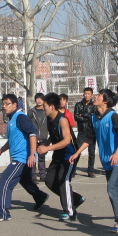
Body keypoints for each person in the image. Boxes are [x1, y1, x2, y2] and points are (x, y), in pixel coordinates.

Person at [70, 89, 118, 233]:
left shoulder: (114, 117)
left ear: (106, 101)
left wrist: (117, 153)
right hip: (106, 160)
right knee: (115, 187)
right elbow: (90, 138)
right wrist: (77, 153)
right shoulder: (94, 118)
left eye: (99, 95)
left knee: (112, 188)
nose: (96, 97)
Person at [0, 94, 49, 222]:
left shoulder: (21, 117)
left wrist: (32, 154)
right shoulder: (11, 119)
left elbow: (32, 134)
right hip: (20, 157)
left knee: (5, 180)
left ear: (15, 105)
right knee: (25, 181)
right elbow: (11, 140)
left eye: (7, 104)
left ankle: (2, 213)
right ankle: (40, 197)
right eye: (3, 104)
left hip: (22, 158)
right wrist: (0, 151)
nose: (4, 106)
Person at [37, 93, 86, 221]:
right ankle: (75, 199)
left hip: (70, 155)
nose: (43, 108)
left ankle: (70, 212)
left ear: (52, 106)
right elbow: (53, 135)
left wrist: (47, 148)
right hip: (59, 154)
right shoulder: (49, 118)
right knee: (49, 180)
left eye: (45, 105)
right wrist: (46, 144)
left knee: (63, 180)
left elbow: (66, 141)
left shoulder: (62, 120)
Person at [74, 87, 97, 177]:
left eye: (89, 94)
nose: (87, 95)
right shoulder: (78, 105)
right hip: (82, 131)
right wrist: (87, 117)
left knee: (91, 152)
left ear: (92, 95)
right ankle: (73, 169)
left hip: (91, 131)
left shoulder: (94, 105)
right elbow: (76, 117)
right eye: (85, 94)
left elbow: (93, 117)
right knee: (77, 150)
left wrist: (83, 114)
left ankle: (90, 170)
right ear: (83, 94)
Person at [28, 93, 49, 182]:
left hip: (43, 138)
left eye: (41, 99)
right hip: (33, 138)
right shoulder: (31, 112)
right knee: (33, 157)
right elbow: (28, 124)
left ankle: (43, 175)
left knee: (42, 158)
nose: (39, 101)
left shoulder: (46, 111)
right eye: (37, 99)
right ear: (35, 100)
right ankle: (33, 176)